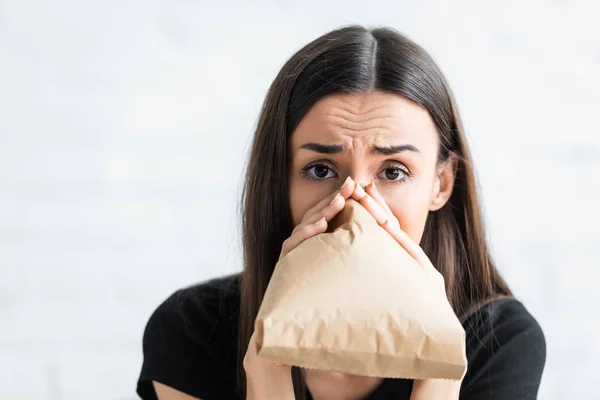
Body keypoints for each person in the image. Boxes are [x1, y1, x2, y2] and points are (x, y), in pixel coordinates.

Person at [136, 25, 546, 400]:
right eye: (321, 170)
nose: (355, 204)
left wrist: (438, 363)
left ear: (440, 184)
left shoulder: (499, 340)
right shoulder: (190, 330)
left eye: (393, 172)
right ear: (280, 180)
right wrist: (268, 372)